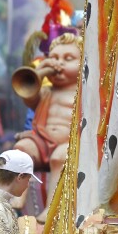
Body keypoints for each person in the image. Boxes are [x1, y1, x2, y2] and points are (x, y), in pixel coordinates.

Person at [14, 31, 81, 221]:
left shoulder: (83, 92)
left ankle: (51, 208)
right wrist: (41, 70)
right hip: (43, 140)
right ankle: (17, 196)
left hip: (69, 143)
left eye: (68, 59)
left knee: (60, 157)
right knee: (21, 149)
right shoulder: (46, 92)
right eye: (54, 58)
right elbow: (27, 95)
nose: (58, 63)